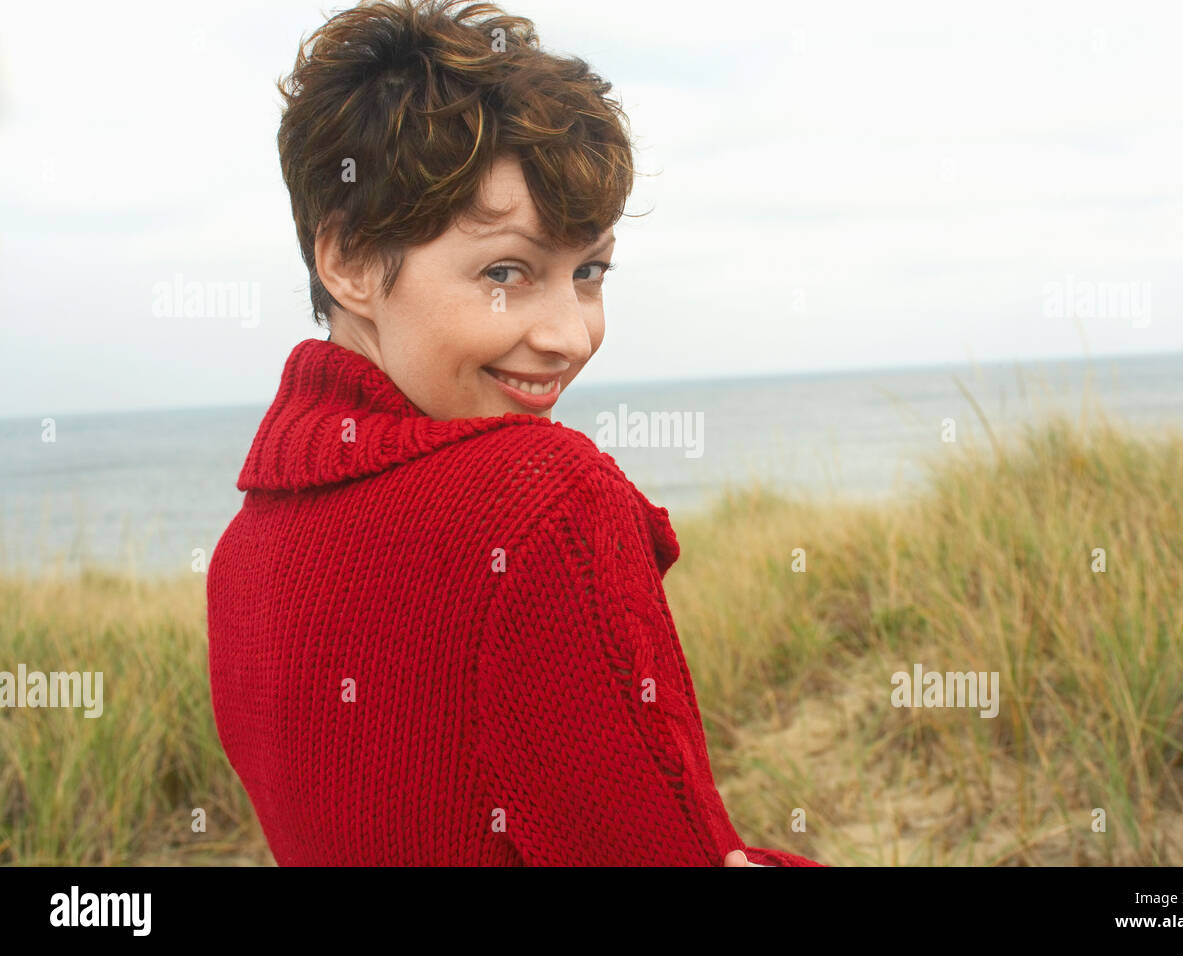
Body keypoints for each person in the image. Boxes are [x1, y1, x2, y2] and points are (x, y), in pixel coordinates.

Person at [207, 0, 822, 866]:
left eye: (589, 271)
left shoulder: (243, 554)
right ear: (346, 260)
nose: (571, 335)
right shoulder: (543, 501)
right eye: (506, 271)